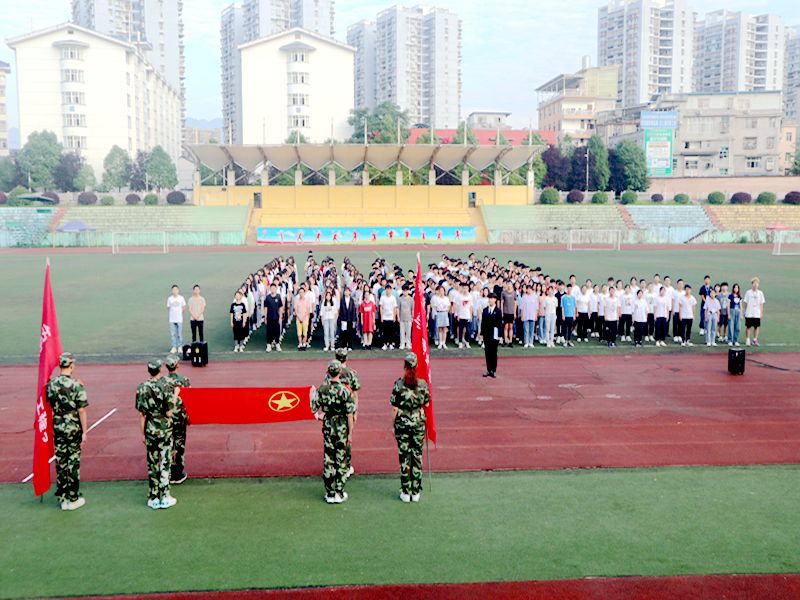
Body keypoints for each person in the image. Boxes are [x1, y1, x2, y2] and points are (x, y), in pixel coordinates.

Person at [45, 352, 88, 511]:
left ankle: (63, 497)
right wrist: (84, 431)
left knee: (61, 461)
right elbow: (81, 410)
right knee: (73, 462)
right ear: (71, 365)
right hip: (73, 426)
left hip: (57, 426)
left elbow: (47, 400)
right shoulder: (76, 385)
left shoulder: (51, 384)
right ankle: (73, 497)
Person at [312, 360, 356, 504]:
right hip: (342, 427)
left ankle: (329, 493)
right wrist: (350, 433)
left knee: (328, 459)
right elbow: (350, 414)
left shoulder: (322, 389)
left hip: (328, 426)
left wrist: (320, 414)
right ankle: (339, 492)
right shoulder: (345, 391)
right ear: (340, 372)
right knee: (341, 459)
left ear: (328, 372)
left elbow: (314, 408)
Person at [135, 359, 177, 509]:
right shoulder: (165, 386)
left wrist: (142, 434)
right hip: (164, 429)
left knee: (152, 463)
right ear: (160, 369)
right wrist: (175, 396)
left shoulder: (142, 387)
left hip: (150, 429)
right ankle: (164, 496)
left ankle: (153, 496)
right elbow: (169, 412)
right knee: (165, 461)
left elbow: (141, 414)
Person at [390, 353, 431, 503]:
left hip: (402, 423)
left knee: (404, 456)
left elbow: (394, 408)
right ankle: (416, 491)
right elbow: (427, 403)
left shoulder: (399, 384)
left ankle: (406, 491)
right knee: (417, 455)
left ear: (405, 366)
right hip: (418, 422)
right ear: (416, 366)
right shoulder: (423, 384)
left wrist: (392, 425)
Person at [162, 354, 191, 484]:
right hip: (180, 417)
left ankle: (167, 471)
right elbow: (190, 399)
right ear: (177, 365)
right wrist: (189, 417)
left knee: (168, 444)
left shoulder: (162, 382)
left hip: (166, 418)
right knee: (179, 444)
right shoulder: (184, 380)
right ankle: (178, 473)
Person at [481, 293, 502, 377]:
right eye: (489, 298)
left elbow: (499, 324)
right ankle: (488, 370)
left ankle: (493, 370)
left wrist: (499, 335)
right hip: (486, 334)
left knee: (493, 352)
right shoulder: (485, 310)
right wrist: (482, 334)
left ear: (495, 300)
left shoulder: (498, 311)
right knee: (487, 352)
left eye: (492, 298)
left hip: (494, 334)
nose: (490, 300)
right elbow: (483, 323)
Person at [743, 277, 766, 347]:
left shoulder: (760, 293)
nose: (755, 285)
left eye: (757, 283)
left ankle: (755, 340)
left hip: (757, 313)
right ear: (752, 284)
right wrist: (745, 311)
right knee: (748, 327)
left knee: (756, 327)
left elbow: (761, 304)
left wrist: (761, 313)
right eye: (754, 283)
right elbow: (745, 303)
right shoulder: (748, 292)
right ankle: (747, 339)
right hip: (749, 313)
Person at [264, 283, 284, 352]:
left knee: (277, 332)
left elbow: (280, 307)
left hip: (276, 317)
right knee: (269, 331)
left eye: (274, 288)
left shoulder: (278, 297)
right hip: (269, 318)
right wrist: (265, 317)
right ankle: (269, 345)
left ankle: (277, 344)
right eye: (271, 288)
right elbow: (266, 308)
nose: (273, 289)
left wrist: (280, 316)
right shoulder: (267, 298)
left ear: (276, 289)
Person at [166, 285, 186, 354]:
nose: (175, 291)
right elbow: (168, 307)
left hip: (179, 319)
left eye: (176, 289)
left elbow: (184, 307)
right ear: (172, 291)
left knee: (179, 334)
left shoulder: (181, 298)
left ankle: (180, 347)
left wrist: (179, 314)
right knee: (173, 334)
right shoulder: (169, 299)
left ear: (178, 290)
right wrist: (172, 313)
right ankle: (174, 347)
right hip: (172, 319)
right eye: (173, 290)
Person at [379, 283, 399, 350]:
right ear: (385, 290)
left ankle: (390, 344)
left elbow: (395, 308)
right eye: (387, 289)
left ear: (391, 290)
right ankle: (385, 344)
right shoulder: (383, 297)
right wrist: (381, 316)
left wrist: (394, 316)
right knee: (385, 332)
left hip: (391, 317)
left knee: (391, 332)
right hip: (385, 317)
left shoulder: (393, 298)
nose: (388, 290)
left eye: (389, 289)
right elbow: (381, 307)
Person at [294, 286, 313, 350]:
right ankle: (300, 343)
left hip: (305, 318)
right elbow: (296, 310)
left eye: (302, 292)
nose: (301, 293)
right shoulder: (297, 301)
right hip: (298, 318)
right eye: (300, 292)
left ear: (304, 293)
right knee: (299, 332)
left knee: (305, 332)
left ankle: (304, 343)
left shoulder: (307, 301)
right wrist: (299, 317)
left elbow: (308, 310)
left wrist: (303, 317)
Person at [398, 285, 414, 350]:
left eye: (406, 290)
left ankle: (408, 343)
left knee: (408, 332)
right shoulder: (400, 299)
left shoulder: (411, 299)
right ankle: (402, 344)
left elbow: (412, 309)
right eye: (404, 291)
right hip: (402, 318)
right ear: (402, 291)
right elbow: (398, 309)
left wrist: (412, 317)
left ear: (408, 291)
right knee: (402, 332)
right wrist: (398, 317)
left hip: (409, 318)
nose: (405, 292)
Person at [500, 282, 517, 346]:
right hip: (505, 312)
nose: (509, 285)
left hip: (511, 312)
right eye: (508, 284)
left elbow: (515, 303)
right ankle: (505, 340)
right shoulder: (503, 293)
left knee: (511, 327)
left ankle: (510, 341)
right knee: (506, 327)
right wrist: (502, 312)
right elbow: (502, 303)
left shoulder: (514, 293)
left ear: (512, 285)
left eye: (510, 284)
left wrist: (514, 312)